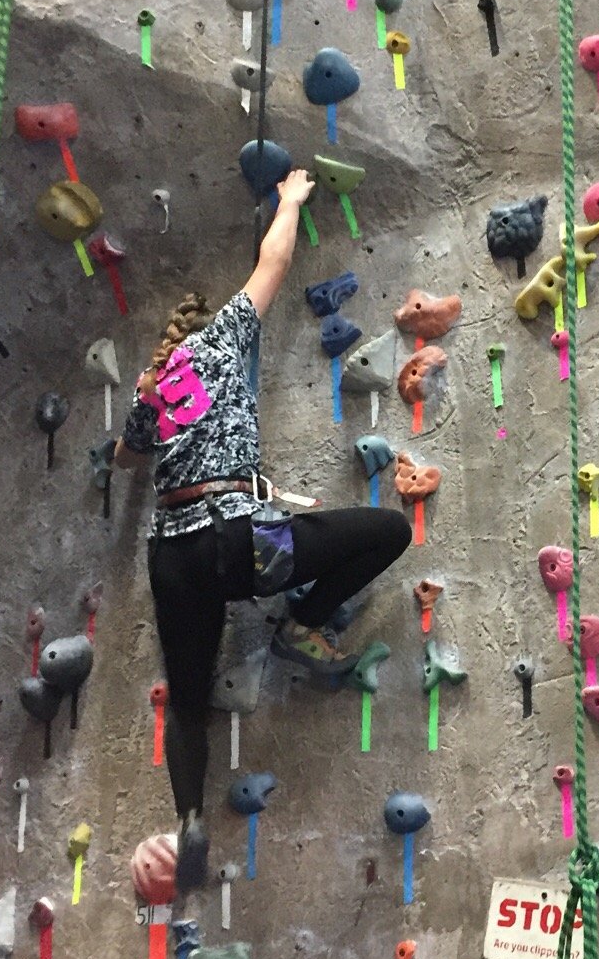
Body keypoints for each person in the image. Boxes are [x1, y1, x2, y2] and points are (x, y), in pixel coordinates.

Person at [114, 169, 412, 888]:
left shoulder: (154, 393)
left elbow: (128, 456)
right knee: (386, 532)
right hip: (245, 538)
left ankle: (189, 817)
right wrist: (291, 200)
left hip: (174, 554)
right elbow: (273, 263)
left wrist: (147, 408)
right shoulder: (218, 343)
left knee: (188, 700)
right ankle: (299, 624)